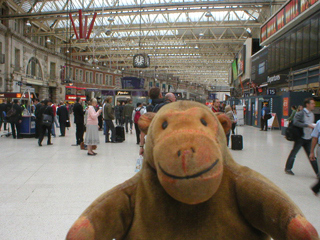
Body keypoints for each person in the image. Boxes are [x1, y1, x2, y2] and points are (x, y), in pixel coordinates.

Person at [285, 98, 319, 176]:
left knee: (311, 155)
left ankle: (317, 172)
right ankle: (288, 168)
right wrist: (307, 125)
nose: (314, 105)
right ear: (307, 104)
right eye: (312, 103)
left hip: (308, 137)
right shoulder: (300, 113)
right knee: (294, 153)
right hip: (300, 137)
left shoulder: (312, 114)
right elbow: (295, 122)